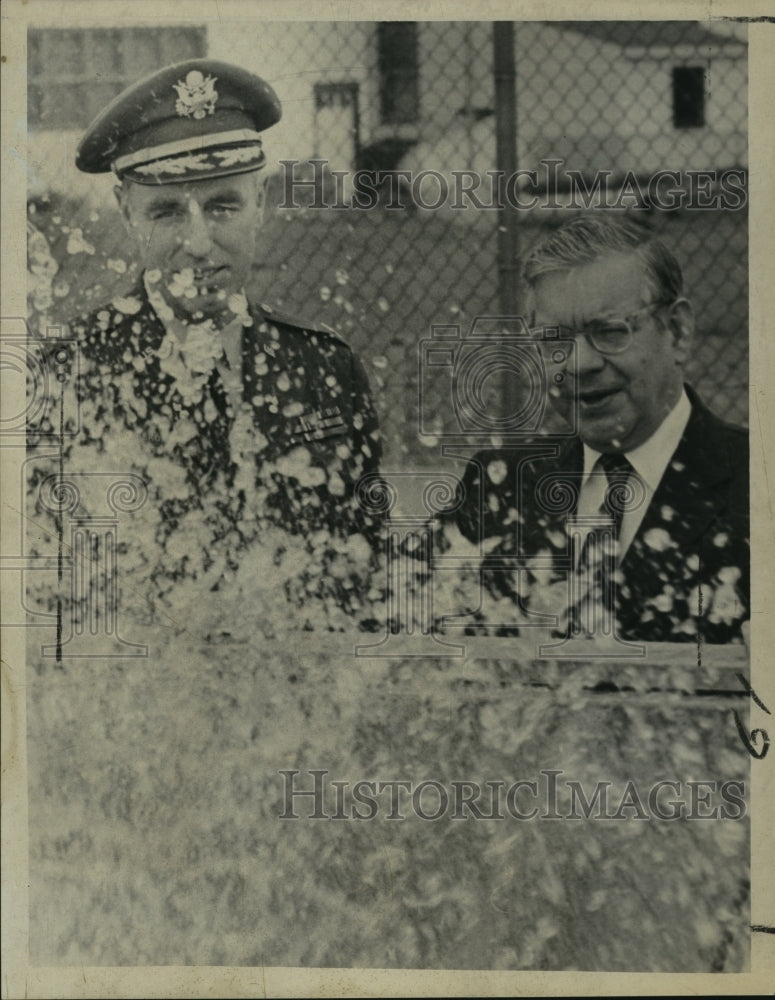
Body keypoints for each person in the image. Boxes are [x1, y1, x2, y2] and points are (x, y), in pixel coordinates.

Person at [28, 59, 384, 632]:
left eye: (223, 206)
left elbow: (364, 574)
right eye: (167, 212)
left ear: (261, 203)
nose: (198, 243)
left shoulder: (324, 367)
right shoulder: (66, 374)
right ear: (126, 211)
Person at [445, 215, 749, 643]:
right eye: (553, 340)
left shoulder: (756, 484)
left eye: (609, 332)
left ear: (678, 332)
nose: (577, 363)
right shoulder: (498, 486)